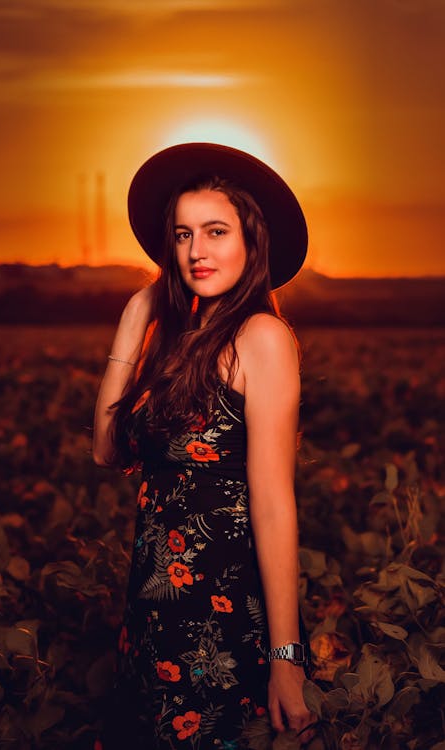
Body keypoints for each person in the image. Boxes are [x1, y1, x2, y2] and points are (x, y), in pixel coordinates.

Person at [93, 143, 316, 748]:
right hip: (150, 616)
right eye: (184, 233)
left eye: (216, 231)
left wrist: (286, 656)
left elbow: (271, 504)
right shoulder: (177, 339)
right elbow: (107, 451)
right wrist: (135, 319)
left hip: (218, 621)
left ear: (252, 240)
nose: (196, 251)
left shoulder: (261, 337)